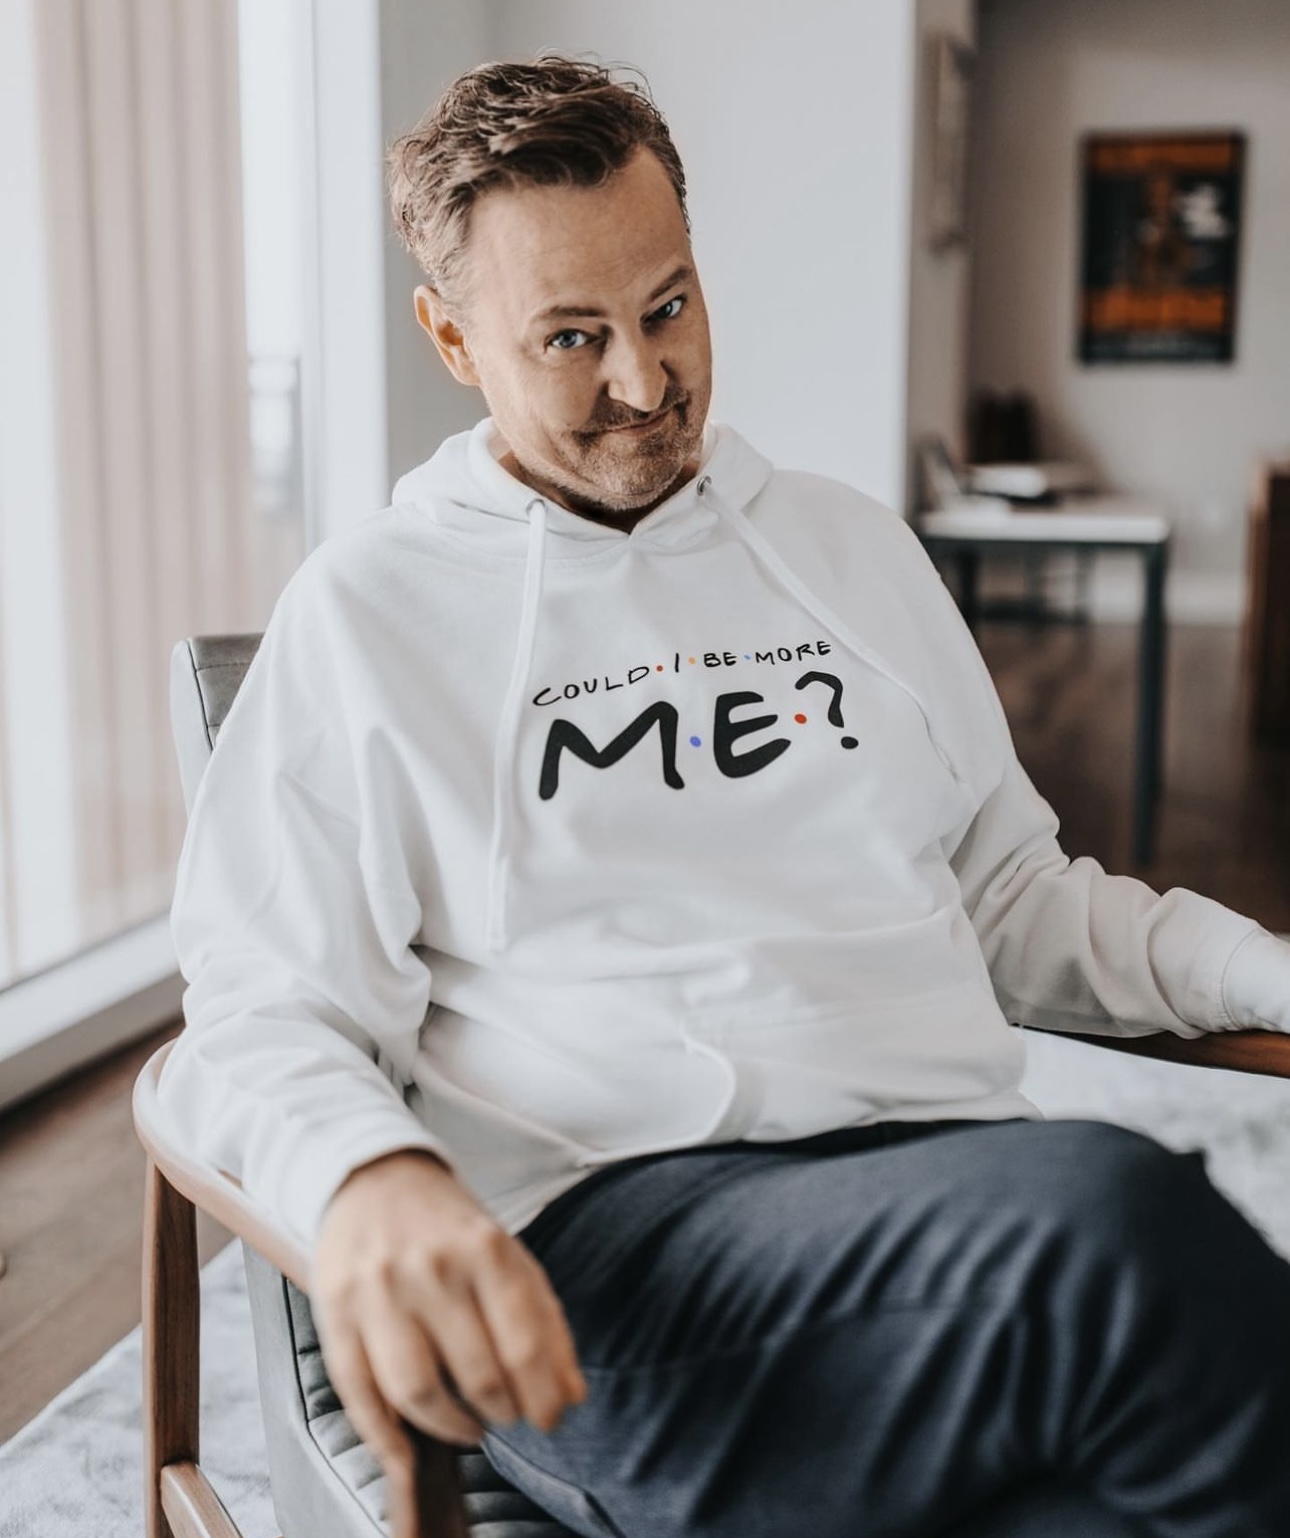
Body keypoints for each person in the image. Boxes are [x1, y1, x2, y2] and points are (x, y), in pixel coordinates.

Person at [161, 56, 1290, 1538]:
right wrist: (366, 1175)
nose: (644, 384)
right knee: (1119, 1230)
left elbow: (1015, 898)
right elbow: (258, 1005)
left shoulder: (850, 550)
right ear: (452, 338)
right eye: (572, 337)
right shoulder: (369, 615)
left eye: (669, 307)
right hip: (623, 1265)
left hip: (952, 1200)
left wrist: (1266, 971)